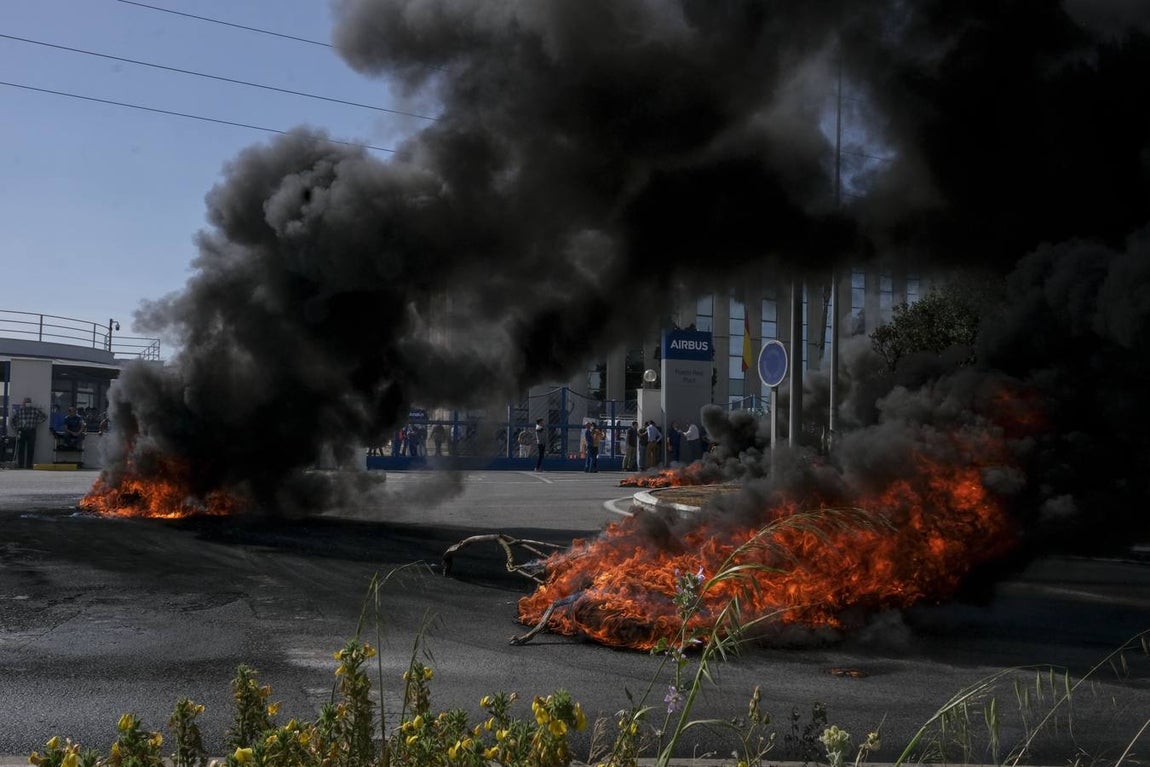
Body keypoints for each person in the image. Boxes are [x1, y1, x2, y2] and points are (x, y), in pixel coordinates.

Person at [10, 397, 46, 469]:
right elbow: (12, 420)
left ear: (30, 403)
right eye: (26, 402)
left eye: (28, 402)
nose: (27, 403)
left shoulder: (35, 410)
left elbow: (44, 416)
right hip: (21, 431)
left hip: (31, 431)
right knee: (21, 449)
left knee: (31, 449)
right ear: (23, 403)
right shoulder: (19, 411)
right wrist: (15, 428)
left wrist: (37, 422)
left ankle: (29, 465)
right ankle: (21, 465)